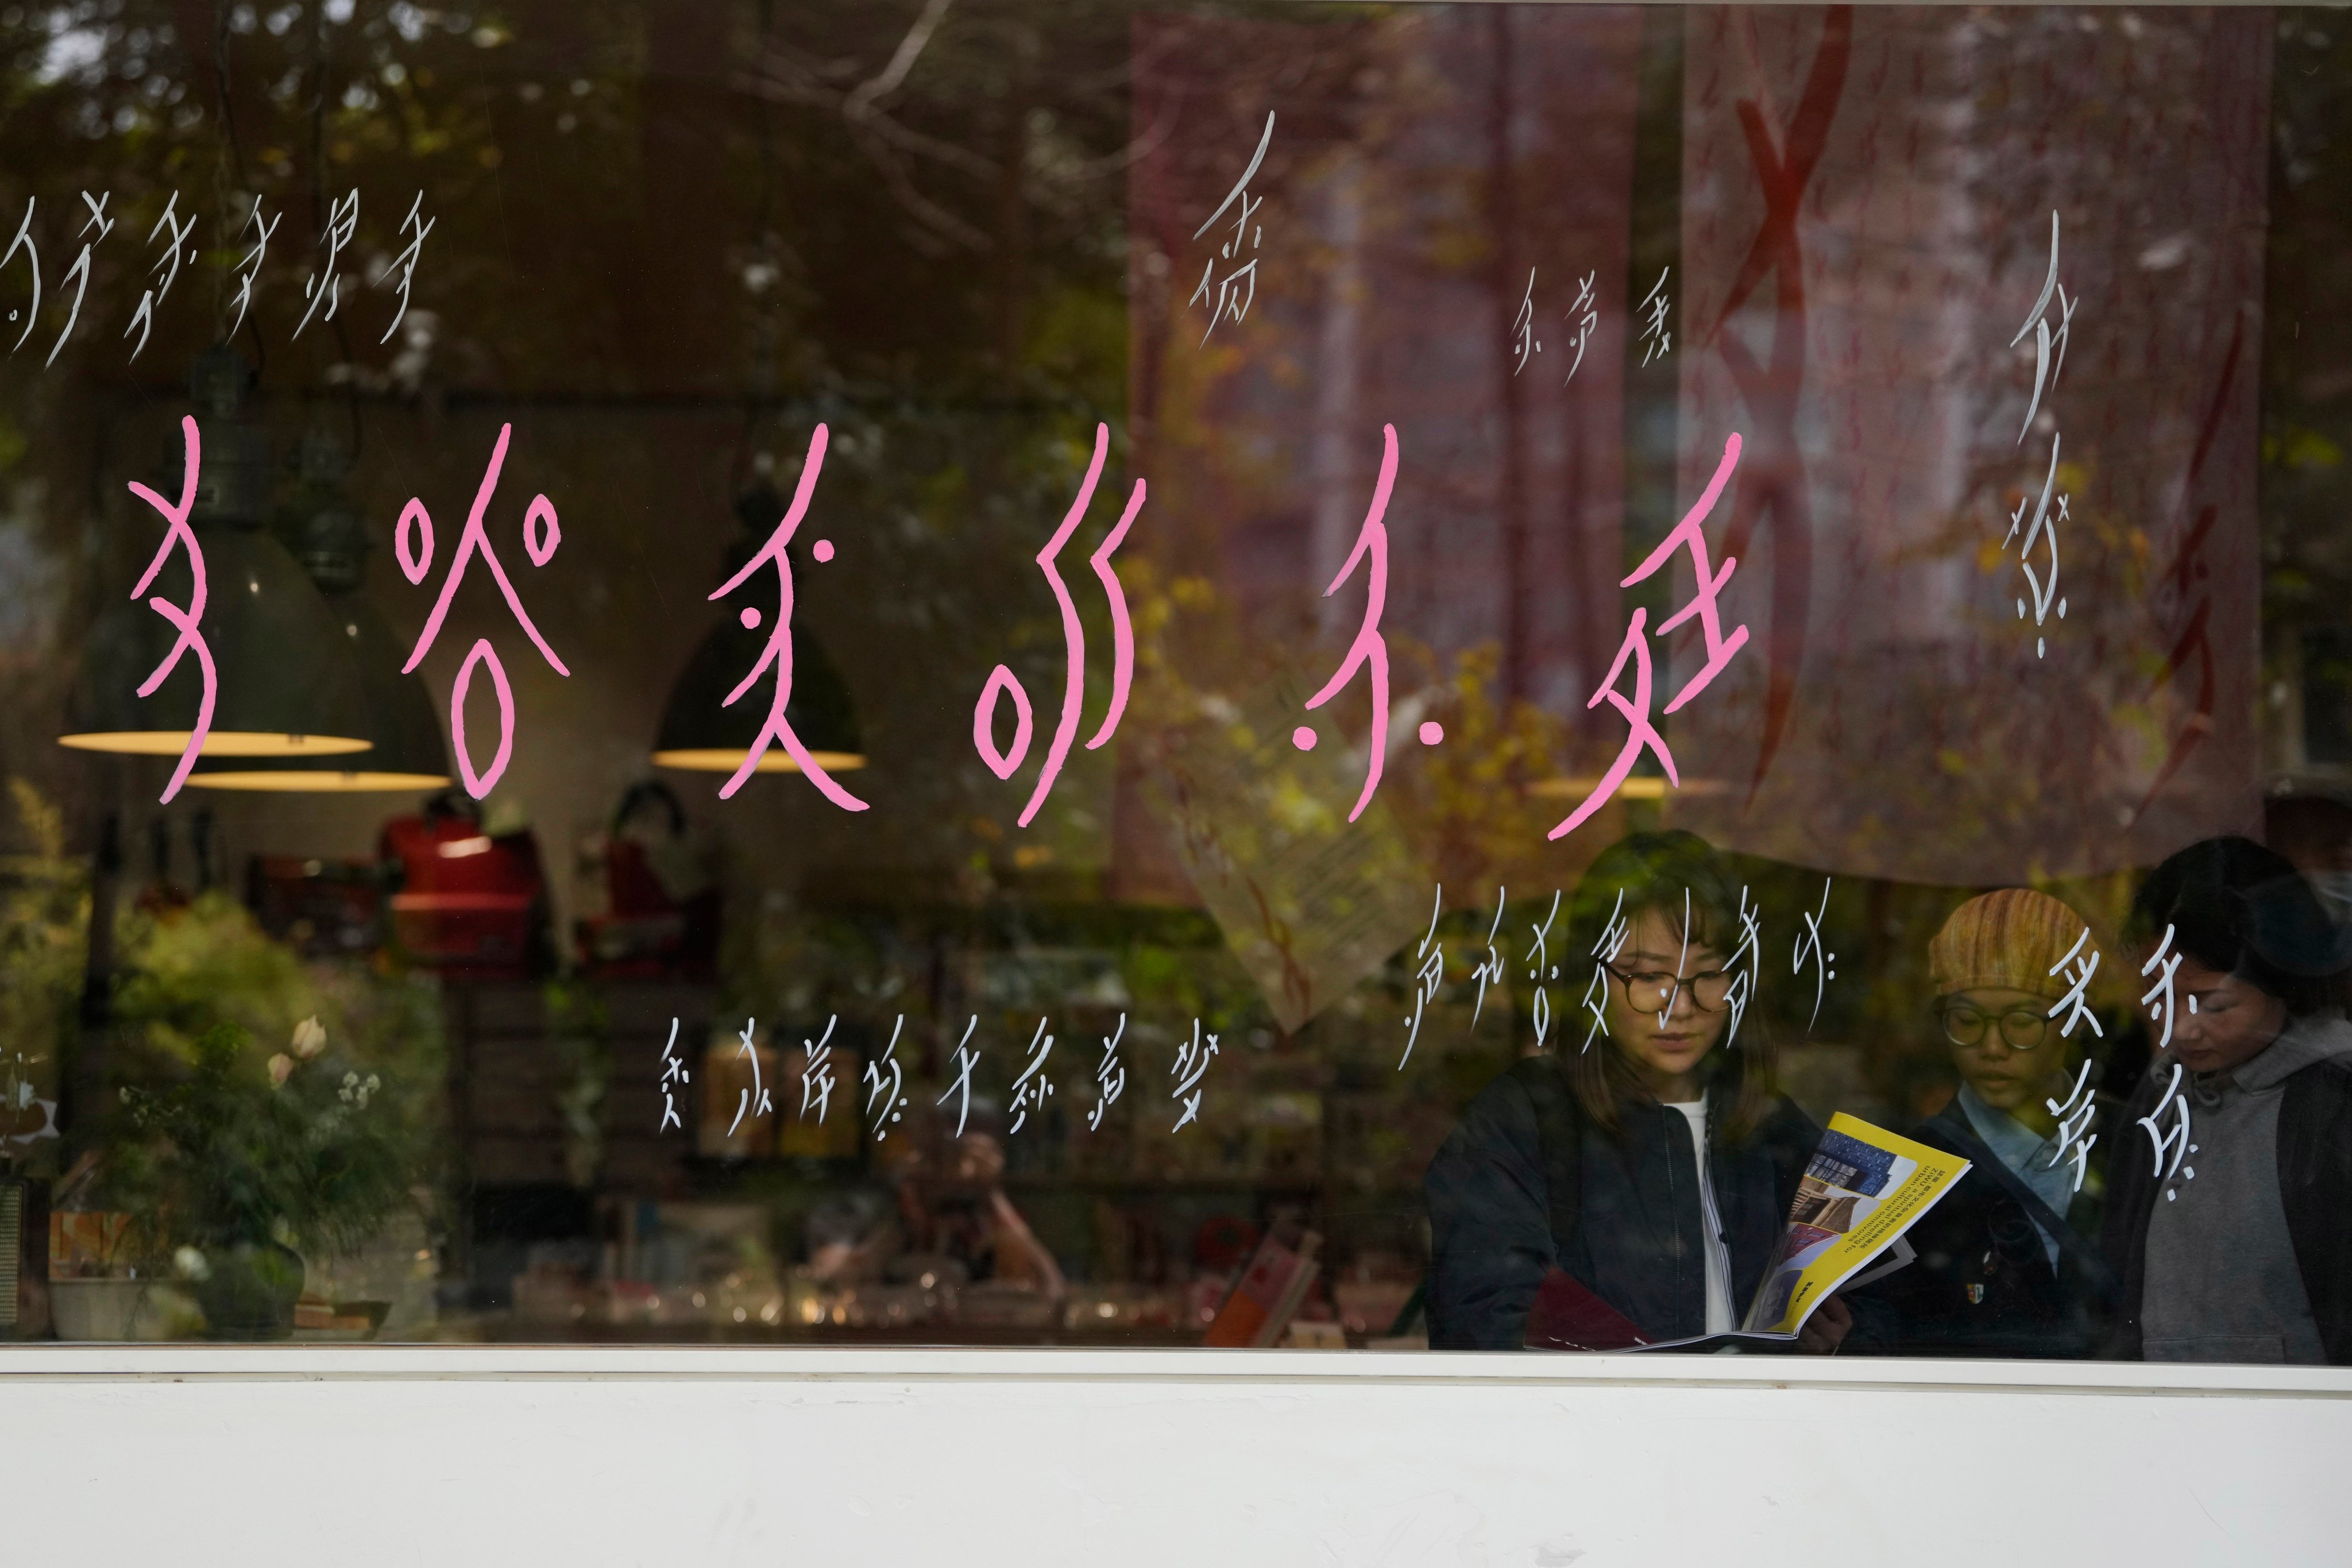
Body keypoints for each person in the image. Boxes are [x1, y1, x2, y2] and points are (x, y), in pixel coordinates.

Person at [1424, 831, 1847, 1352]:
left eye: (1709, 974)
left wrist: (1836, 1341)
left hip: (1758, 1423)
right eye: (1647, 976)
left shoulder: (1772, 1125)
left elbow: (1879, 1312)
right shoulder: (1526, 1117)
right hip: (1593, 1426)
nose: (1680, 1007)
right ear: (1592, 981)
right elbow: (1480, 1322)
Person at [2103, 836, 2352, 1364]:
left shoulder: (2333, 1107)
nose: (2181, 1027)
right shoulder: (2157, 1097)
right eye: (2158, 995)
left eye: (2212, 1003)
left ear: (2282, 981)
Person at [1847, 889, 2119, 1358]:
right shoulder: (1900, 1173)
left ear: (2075, 1019)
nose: (1992, 1046)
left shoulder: (2138, 1142)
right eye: (1967, 1019)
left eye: (2021, 1021)